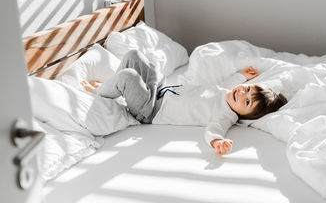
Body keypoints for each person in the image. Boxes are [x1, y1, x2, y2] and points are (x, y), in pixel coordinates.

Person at [81, 50, 287, 155]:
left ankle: (100, 91)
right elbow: (230, 83)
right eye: (248, 89)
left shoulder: (226, 114)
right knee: (134, 56)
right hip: (159, 89)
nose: (242, 93)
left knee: (129, 76)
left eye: (248, 101)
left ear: (245, 114)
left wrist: (217, 142)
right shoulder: (227, 92)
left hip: (150, 110)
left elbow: (215, 129)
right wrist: (242, 76)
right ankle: (113, 85)